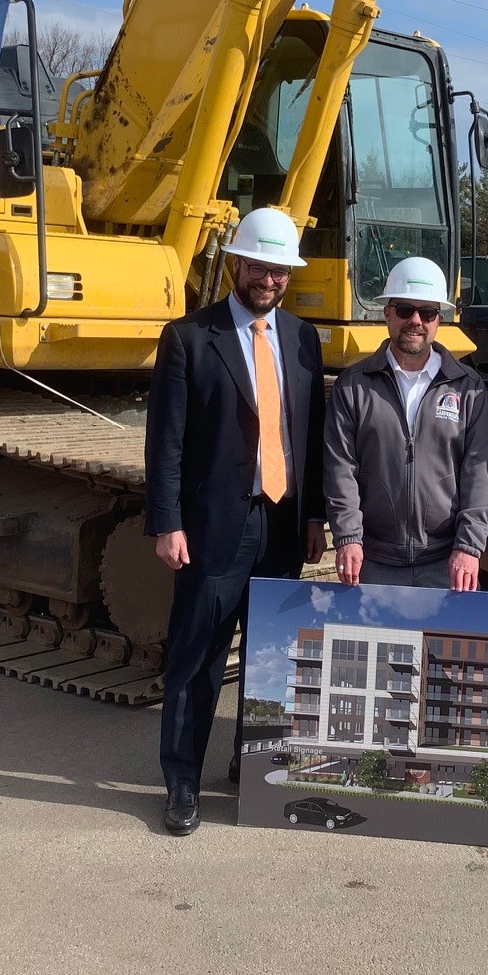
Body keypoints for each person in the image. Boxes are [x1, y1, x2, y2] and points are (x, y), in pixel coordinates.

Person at [145, 207, 327, 837]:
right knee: (198, 657)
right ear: (235, 263)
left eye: (278, 270)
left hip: (280, 525)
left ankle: (248, 771)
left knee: (270, 662)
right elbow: (165, 443)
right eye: (258, 266)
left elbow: (310, 434)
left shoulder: (304, 338)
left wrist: (315, 517)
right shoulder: (190, 338)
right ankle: (182, 782)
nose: (268, 279)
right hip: (213, 526)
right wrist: (167, 522)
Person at [324, 257, 488, 591]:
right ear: (386, 312)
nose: (415, 321)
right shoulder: (353, 386)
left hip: (446, 564)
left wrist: (469, 546)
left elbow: (480, 474)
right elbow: (340, 468)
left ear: (439, 319)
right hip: (372, 563)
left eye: (427, 312)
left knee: (439, 646)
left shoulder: (469, 388)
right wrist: (347, 537)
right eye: (404, 309)